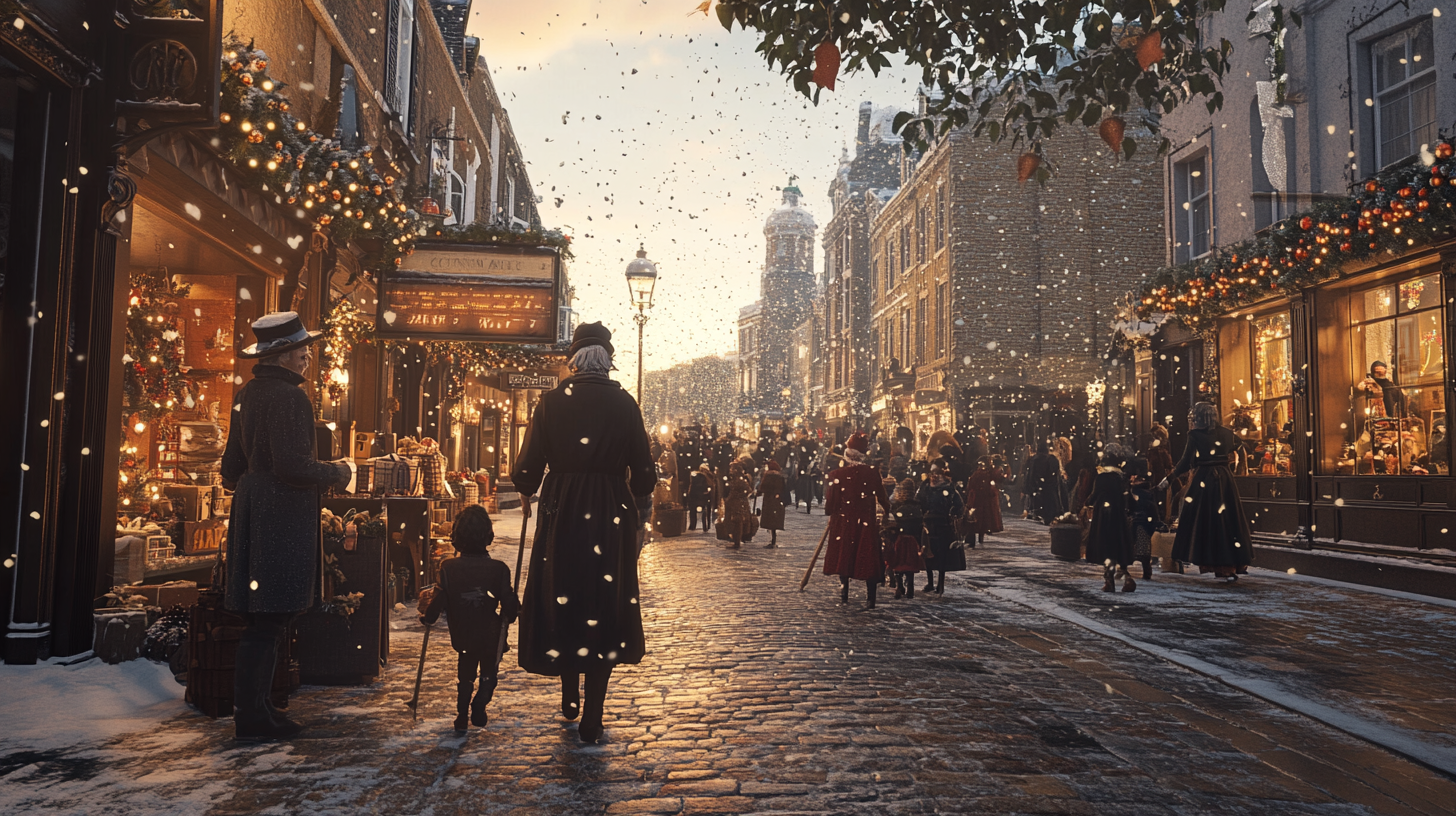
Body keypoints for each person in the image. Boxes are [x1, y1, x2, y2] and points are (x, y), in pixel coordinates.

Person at [512, 322, 656, 743]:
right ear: (608, 360)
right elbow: (644, 471)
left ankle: (569, 692)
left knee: (565, 595)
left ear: (574, 360)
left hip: (562, 510)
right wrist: (639, 502)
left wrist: (525, 489)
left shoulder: (552, 402)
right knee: (603, 602)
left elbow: (529, 463)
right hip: (610, 510)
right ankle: (593, 715)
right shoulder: (625, 403)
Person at [221, 311, 352, 742]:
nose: (308, 357)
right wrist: (338, 472)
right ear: (282, 355)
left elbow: (230, 468)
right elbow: (293, 467)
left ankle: (255, 709)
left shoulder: (246, 395)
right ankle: (254, 717)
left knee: (262, 618)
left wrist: (254, 485)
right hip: (281, 513)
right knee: (271, 620)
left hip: (253, 510)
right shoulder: (290, 399)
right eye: (302, 350)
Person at [419, 505, 521, 733]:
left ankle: (462, 714)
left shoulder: (449, 568)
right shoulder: (499, 569)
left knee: (465, 673)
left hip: (463, 631)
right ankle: (482, 699)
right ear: (489, 536)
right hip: (490, 633)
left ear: (456, 538)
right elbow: (509, 603)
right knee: (489, 672)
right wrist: (512, 612)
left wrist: (429, 618)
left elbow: (439, 599)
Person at [1158, 402, 1255, 582]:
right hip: (1225, 479)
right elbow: (1244, 449)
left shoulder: (1195, 435)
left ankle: (1213, 559)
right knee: (1227, 520)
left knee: (1205, 521)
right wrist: (1240, 467)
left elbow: (1185, 461)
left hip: (1205, 479)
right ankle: (1229, 562)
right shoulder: (1227, 433)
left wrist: (1169, 480)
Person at [823, 433, 892, 608]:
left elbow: (831, 502)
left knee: (845, 555)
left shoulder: (836, 475)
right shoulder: (871, 473)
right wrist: (885, 511)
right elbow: (882, 497)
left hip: (844, 521)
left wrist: (831, 511)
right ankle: (870, 597)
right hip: (865, 520)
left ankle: (844, 591)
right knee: (867, 555)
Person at [1084, 444, 1137, 593]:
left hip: (1104, 518)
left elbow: (1094, 496)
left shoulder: (1102, 477)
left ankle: (1109, 580)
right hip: (1118, 517)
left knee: (1106, 547)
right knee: (1119, 546)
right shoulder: (1121, 477)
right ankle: (1127, 577)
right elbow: (1127, 496)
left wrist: (1087, 502)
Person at [916, 465, 966, 594]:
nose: (934, 476)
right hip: (928, 523)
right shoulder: (925, 487)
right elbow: (918, 501)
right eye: (932, 473)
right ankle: (930, 582)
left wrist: (951, 514)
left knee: (942, 555)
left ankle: (940, 583)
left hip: (943, 525)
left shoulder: (949, 489)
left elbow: (959, 505)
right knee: (927, 552)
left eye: (937, 473)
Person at [886, 479, 927, 599]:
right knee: (909, 564)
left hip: (901, 538)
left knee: (899, 563)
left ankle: (901, 586)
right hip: (912, 538)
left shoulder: (898, 505)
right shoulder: (916, 505)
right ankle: (907, 587)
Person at [1126, 457, 1158, 580]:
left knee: (1136, 547)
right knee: (1143, 550)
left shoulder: (1136, 491)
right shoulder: (1148, 491)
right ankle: (1146, 569)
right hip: (1144, 522)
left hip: (1137, 522)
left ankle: (1126, 568)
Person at [964, 455, 1006, 546]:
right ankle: (974, 537)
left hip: (984, 499)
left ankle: (980, 534)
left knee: (983, 517)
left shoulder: (988, 474)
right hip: (978, 499)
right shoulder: (978, 474)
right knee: (976, 518)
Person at [1024, 443, 1066, 523]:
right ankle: (1050, 515)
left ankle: (1043, 515)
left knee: (1042, 501)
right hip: (1050, 484)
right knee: (1050, 501)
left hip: (1040, 484)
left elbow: (1031, 474)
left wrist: (1030, 486)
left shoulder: (1035, 459)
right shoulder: (1051, 459)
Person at [720, 456, 755, 548]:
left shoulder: (740, 481)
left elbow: (748, 490)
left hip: (738, 504)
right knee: (735, 522)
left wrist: (737, 497)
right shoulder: (734, 480)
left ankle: (737, 542)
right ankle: (736, 540)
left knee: (737, 522)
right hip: (735, 503)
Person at [756, 459, 787, 548]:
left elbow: (763, 487)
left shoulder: (768, 475)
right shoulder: (780, 476)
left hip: (769, 500)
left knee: (770, 519)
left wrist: (759, 492)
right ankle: (773, 538)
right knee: (775, 520)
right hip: (777, 500)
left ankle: (773, 540)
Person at [687, 463, 715, 533]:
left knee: (693, 510)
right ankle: (706, 525)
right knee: (705, 510)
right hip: (704, 497)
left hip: (696, 497)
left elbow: (691, 489)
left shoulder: (696, 477)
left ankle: (693, 525)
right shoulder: (709, 477)